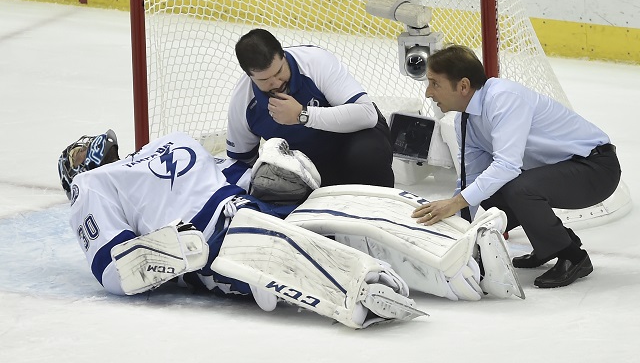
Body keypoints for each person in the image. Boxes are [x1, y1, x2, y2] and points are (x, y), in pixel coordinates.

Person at [57, 130, 420, 328]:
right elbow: (113, 268)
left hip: (250, 206)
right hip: (212, 244)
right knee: (278, 253)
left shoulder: (165, 143)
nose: (86, 149)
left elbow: (238, 174)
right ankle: (358, 291)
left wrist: (278, 172)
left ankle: (433, 252)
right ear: (72, 174)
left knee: (342, 219)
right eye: (75, 154)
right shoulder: (90, 185)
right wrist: (170, 251)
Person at [411, 45, 621, 289]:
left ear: (464, 86)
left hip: (596, 169)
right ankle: (552, 243)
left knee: (518, 188)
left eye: (434, 83)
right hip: (561, 171)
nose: (428, 93)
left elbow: (507, 166)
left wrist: (456, 203)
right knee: (485, 189)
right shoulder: (464, 119)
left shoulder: (503, 98)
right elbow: (471, 180)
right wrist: (454, 233)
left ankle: (574, 257)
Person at [226, 28, 395, 187]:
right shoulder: (242, 102)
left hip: (355, 139)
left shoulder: (314, 61)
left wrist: (302, 114)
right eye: (265, 80)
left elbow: (367, 114)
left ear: (283, 56)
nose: (276, 83)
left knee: (366, 155)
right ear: (250, 77)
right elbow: (241, 163)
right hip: (309, 165)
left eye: (279, 72)